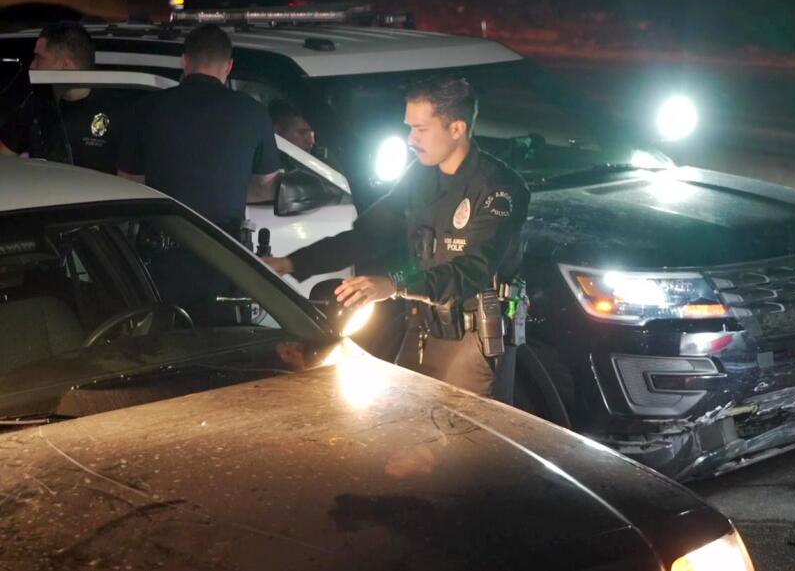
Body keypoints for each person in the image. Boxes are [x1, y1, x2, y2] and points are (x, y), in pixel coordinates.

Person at [263, 77, 530, 400]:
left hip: (472, 338)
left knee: (466, 441)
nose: (410, 139)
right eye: (409, 127)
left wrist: (395, 283)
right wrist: (291, 262)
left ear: (457, 129)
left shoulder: (499, 189)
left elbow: (471, 271)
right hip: (422, 328)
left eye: (420, 129)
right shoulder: (419, 175)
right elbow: (369, 234)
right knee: (401, 428)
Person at [118, 25, 283, 236]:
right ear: (229, 66)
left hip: (159, 242)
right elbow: (267, 185)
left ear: (185, 61)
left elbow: (129, 181)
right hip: (224, 247)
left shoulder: (146, 108)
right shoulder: (253, 112)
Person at [0, 22, 129, 174]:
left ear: (66, 66)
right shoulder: (36, 105)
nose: (32, 66)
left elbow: (131, 181)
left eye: (39, 58)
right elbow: (4, 156)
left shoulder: (119, 110)